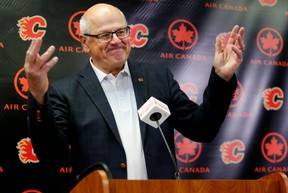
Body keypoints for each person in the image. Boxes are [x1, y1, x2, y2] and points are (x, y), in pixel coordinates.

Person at [24, 3, 245, 180]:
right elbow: (51, 154)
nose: (116, 41)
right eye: (104, 35)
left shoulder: (158, 78)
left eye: (121, 31)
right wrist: (38, 94)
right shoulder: (66, 92)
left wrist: (222, 77)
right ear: (84, 42)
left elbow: (202, 129)